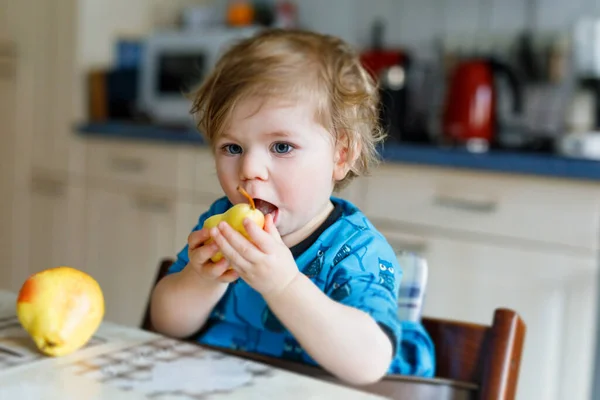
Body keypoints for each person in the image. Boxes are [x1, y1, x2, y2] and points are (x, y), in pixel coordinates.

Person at [149, 28, 435, 385]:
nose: (249, 170)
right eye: (232, 148)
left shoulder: (356, 251)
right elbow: (165, 323)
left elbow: (369, 361)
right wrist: (200, 280)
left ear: (340, 155)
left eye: (281, 147)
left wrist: (283, 285)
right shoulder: (219, 223)